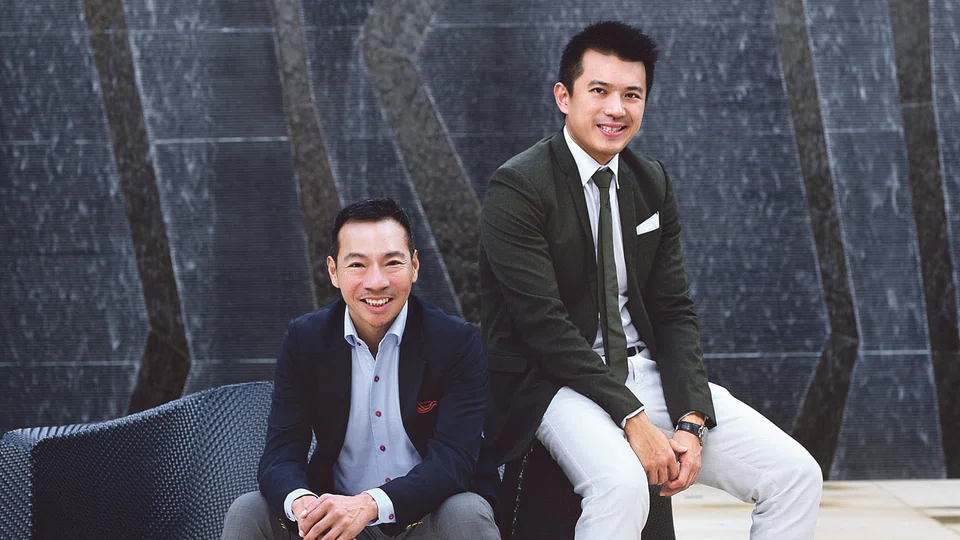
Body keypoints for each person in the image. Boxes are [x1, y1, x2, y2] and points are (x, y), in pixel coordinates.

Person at [478, 21, 823, 539]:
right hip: (555, 381)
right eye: (599, 91)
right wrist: (633, 419)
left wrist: (690, 420)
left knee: (796, 475)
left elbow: (673, 310)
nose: (616, 109)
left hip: (645, 371)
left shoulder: (650, 181)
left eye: (632, 95)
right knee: (621, 485)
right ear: (564, 97)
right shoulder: (518, 186)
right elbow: (542, 326)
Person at [223, 198, 500, 540]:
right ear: (333, 271)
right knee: (249, 511)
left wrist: (370, 504)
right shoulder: (305, 339)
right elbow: (281, 454)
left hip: (425, 520)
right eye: (357, 265)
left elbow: (454, 461)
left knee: (466, 510)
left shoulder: (455, 342)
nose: (376, 282)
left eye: (392, 263)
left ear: (414, 266)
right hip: (336, 525)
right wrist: (304, 504)